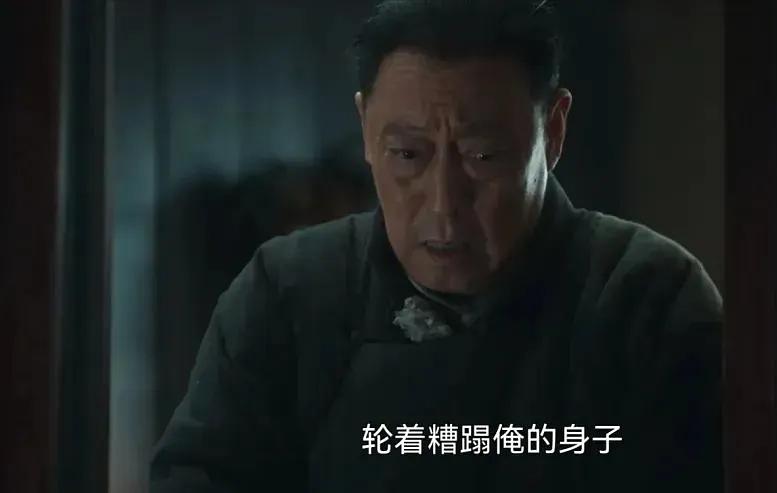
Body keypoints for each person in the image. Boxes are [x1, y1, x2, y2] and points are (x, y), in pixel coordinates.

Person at [150, 1, 723, 491]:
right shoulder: (286, 295)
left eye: (483, 156)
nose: (444, 207)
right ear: (365, 127)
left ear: (553, 130)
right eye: (408, 155)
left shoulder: (647, 301)